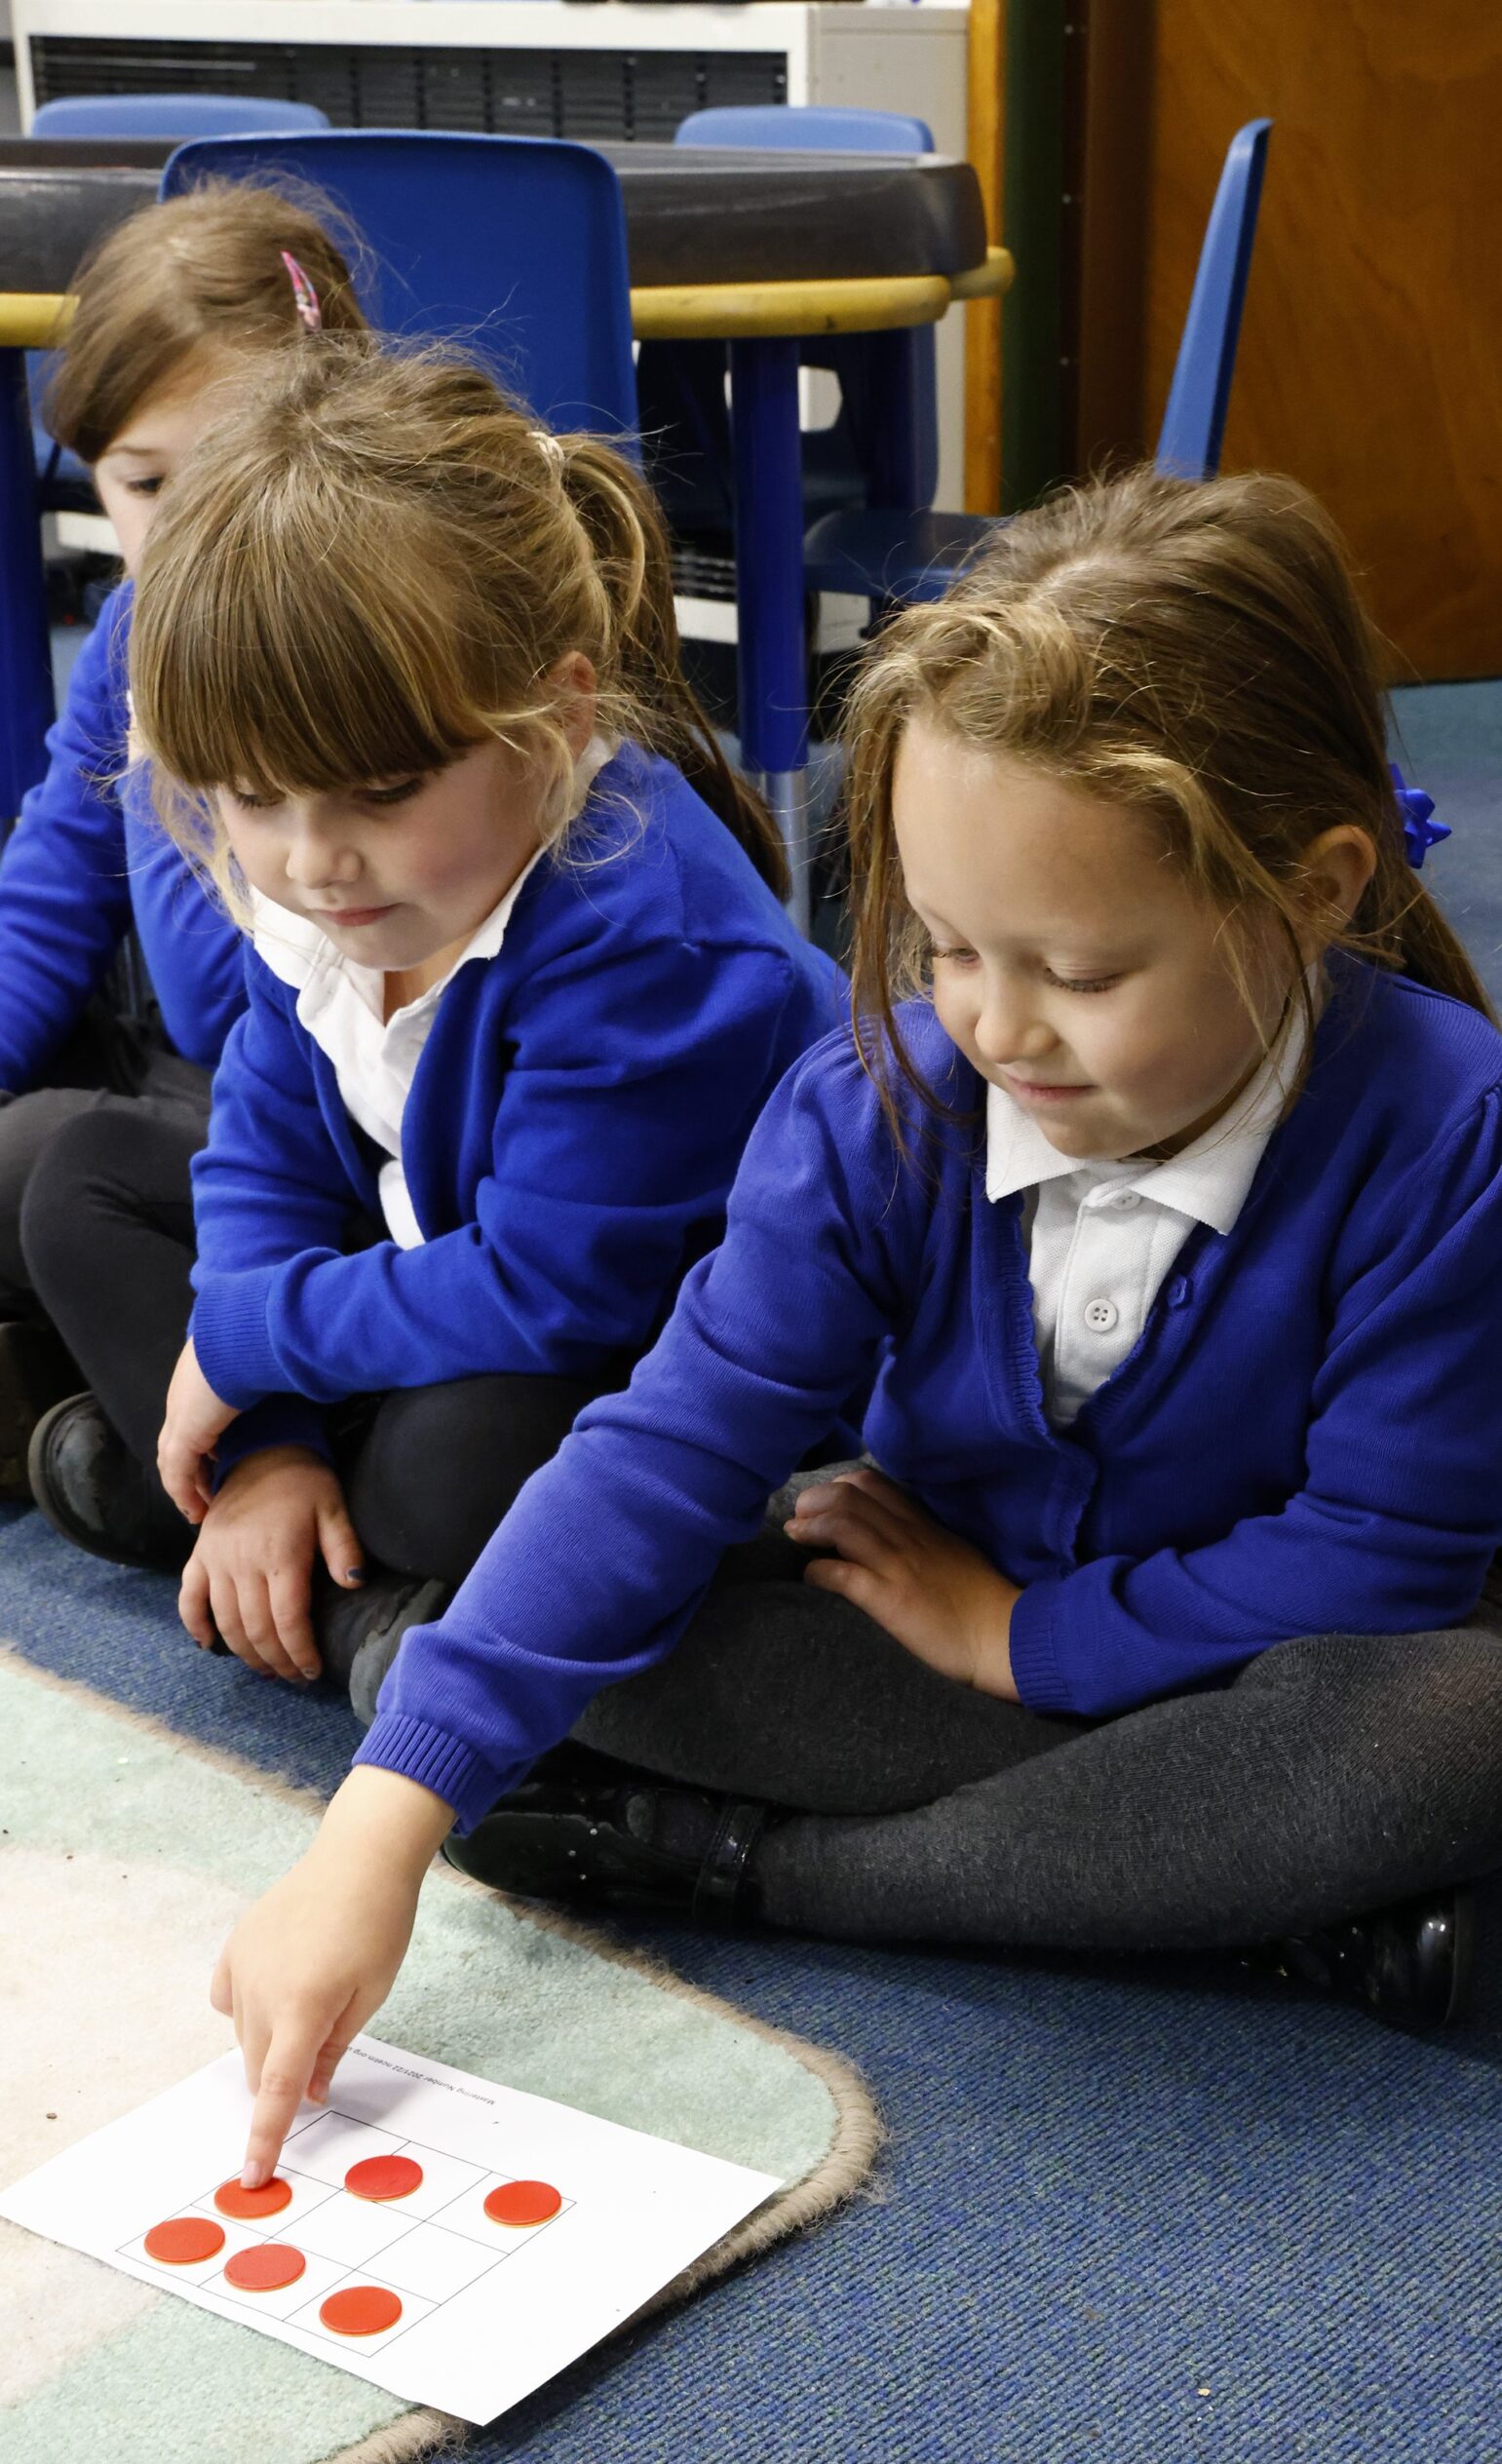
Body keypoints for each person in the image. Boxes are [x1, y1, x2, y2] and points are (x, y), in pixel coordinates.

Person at [203, 462, 1502, 2182]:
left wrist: (1019, 1642)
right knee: (612, 1601)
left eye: (1081, 974)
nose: (996, 1030)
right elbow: (669, 1449)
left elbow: (1377, 1555)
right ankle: (1188, 1899)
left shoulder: (1447, 1129)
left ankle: (758, 1871)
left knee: (1453, 1724)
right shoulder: (876, 1102)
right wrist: (375, 1829)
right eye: (946, 948)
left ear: (1316, 890)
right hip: (908, 1638)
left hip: (1235, 1657)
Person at [25, 336, 844, 1693]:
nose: (310, 861)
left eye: (383, 791)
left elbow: (554, 1291)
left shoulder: (650, 936)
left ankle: (301, 1561)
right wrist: (268, 1436)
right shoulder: (336, 885)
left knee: (462, 1465)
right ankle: (281, 1518)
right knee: (81, 1181)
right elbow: (265, 1153)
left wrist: (246, 1341)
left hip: (634, 1346)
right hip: (442, 1266)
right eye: (252, 798)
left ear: (554, 720)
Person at [0, 182, 366, 1490]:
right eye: (144, 483)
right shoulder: (127, 626)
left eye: (225, 476)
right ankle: (113, 1399)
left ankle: (208, 1435)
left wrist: (165, 748)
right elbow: (50, 886)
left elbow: (225, 1010)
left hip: (303, 1126)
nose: (182, 529)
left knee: (56, 1173)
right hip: (176, 1089)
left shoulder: (347, 639)